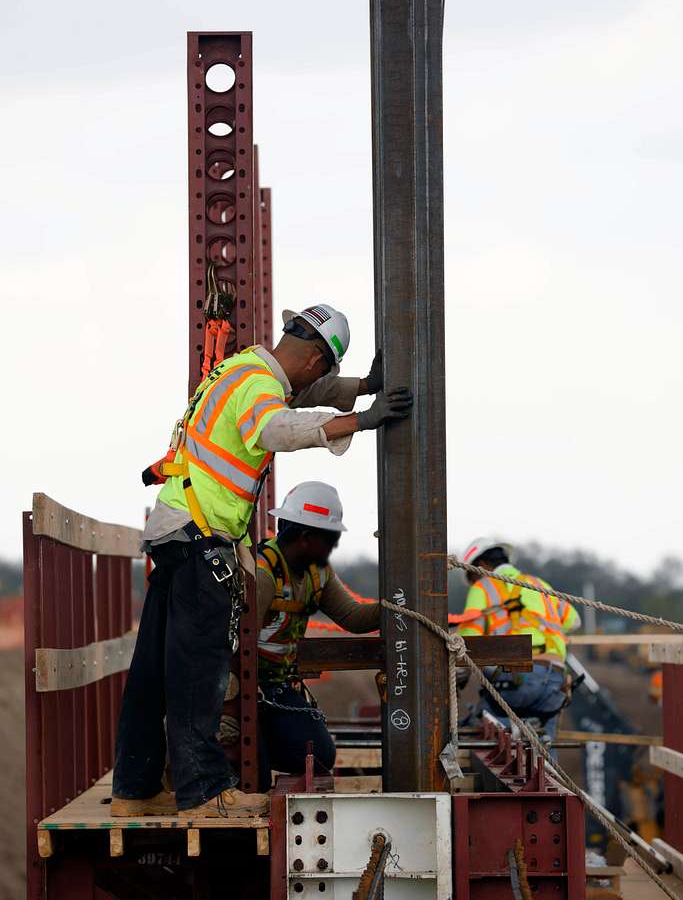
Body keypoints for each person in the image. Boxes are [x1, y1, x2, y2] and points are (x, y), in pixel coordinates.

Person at [112, 304, 412, 819]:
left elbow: (304, 395)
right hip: (200, 537)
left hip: (175, 529)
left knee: (154, 671)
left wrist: (363, 387)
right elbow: (278, 428)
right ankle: (204, 792)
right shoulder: (258, 390)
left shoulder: (244, 368)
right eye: (324, 371)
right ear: (317, 358)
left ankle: (135, 789)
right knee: (196, 671)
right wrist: (360, 422)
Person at [255, 482, 379, 790]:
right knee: (250, 765)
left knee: (320, 754)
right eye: (329, 539)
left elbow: (353, 617)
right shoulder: (262, 572)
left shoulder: (317, 572)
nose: (332, 548)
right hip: (244, 688)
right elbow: (232, 641)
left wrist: (397, 603)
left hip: (276, 687)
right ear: (306, 537)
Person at [454, 537, 581, 742]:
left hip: (518, 679)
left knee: (485, 726)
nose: (473, 583)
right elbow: (574, 621)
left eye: (472, 577)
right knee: (543, 754)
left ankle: (506, 734)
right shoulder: (538, 584)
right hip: (555, 681)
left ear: (481, 566)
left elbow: (467, 643)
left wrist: (458, 678)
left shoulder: (483, 586)